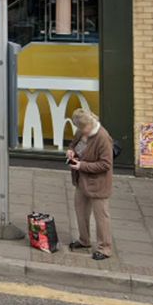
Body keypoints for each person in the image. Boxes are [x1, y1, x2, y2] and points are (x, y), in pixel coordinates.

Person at [67, 108, 114, 260]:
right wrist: (71, 151)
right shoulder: (81, 131)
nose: (81, 132)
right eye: (79, 129)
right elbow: (73, 145)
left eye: (83, 129)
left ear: (90, 123)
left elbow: (105, 164)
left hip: (98, 184)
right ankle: (84, 240)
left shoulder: (103, 137)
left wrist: (82, 166)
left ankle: (105, 248)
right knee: (80, 210)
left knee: (101, 217)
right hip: (82, 180)